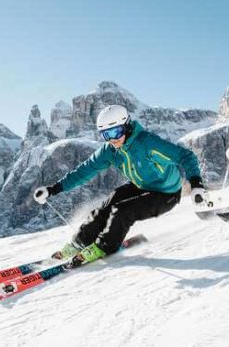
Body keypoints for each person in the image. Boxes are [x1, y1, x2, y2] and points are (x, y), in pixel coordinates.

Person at [33, 104, 207, 264]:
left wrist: (196, 184)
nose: (112, 139)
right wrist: (53, 189)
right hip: (142, 186)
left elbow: (186, 156)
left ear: (127, 126)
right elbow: (84, 171)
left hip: (166, 194)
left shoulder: (147, 143)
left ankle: (104, 247)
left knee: (122, 211)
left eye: (115, 132)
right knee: (106, 206)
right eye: (106, 135)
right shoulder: (110, 150)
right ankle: (79, 243)